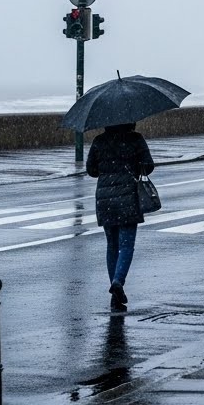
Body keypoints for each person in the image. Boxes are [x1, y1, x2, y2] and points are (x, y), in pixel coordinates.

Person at [85, 122, 155, 311]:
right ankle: (118, 281)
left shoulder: (99, 141)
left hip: (105, 199)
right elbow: (148, 166)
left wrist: (107, 169)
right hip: (128, 197)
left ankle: (115, 289)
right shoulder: (135, 139)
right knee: (126, 245)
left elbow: (91, 170)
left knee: (112, 245)